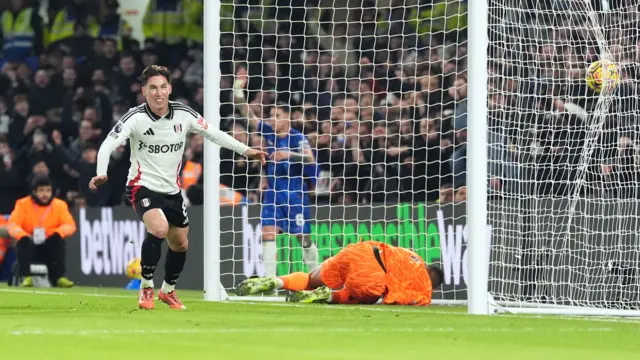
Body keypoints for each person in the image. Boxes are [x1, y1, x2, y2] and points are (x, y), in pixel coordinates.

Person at [90, 65, 266, 310]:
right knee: (159, 228)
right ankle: (146, 287)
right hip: (142, 185)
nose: (158, 92)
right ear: (144, 91)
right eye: (153, 88)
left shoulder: (184, 114)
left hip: (172, 191)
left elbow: (214, 134)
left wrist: (246, 151)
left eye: (163, 87)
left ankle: (168, 290)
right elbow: (108, 145)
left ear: (170, 89)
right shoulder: (135, 117)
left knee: (180, 243)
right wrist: (101, 172)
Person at [233, 68, 319, 277]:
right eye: (271, 115)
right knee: (268, 234)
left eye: (277, 116)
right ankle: (270, 282)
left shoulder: (297, 137)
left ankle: (318, 276)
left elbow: (310, 159)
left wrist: (288, 154)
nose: (272, 119)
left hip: (295, 194)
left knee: (303, 238)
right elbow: (247, 113)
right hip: (273, 192)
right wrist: (238, 89)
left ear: (288, 117)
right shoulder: (269, 132)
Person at [235, 240, 444, 306]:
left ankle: (277, 281)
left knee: (311, 278)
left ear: (427, 266)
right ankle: (328, 296)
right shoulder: (425, 291)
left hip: (360, 251)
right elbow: (397, 300)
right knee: (368, 296)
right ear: (432, 284)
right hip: (371, 276)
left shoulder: (412, 255)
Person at [7, 176, 77, 288]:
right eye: (41, 190)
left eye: (48, 190)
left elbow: (70, 225)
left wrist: (57, 233)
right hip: (30, 242)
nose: (45, 194)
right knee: (23, 242)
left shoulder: (59, 205)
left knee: (57, 241)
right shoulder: (22, 204)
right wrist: (23, 235)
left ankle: (59, 278)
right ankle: (27, 277)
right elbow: (12, 224)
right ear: (34, 192)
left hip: (49, 243)